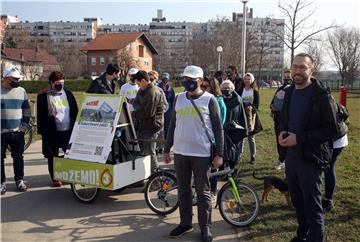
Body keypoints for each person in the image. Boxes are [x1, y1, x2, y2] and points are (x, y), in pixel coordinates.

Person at [278, 53, 337, 242]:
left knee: (312, 206)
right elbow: (283, 119)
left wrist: (299, 139)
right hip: (291, 158)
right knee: (298, 202)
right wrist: (282, 132)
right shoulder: (288, 92)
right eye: (295, 66)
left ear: (312, 70)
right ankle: (302, 235)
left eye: (302, 67)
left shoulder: (321, 95)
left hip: (310, 159)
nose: (297, 71)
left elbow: (330, 130)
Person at [164, 65, 224, 242]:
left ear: (200, 80)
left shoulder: (209, 100)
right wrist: (167, 148)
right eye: (186, 79)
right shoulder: (179, 98)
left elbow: (218, 129)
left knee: (202, 192)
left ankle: (205, 227)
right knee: (183, 191)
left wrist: (219, 154)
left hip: (201, 154)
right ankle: (185, 223)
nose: (188, 82)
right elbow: (172, 125)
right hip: (181, 153)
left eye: (192, 79)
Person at [37, 71, 78, 187]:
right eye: (57, 83)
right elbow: (41, 116)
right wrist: (43, 132)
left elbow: (75, 110)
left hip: (67, 129)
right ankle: (55, 177)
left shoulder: (68, 94)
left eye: (62, 83)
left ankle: (69, 174)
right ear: (51, 82)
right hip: (52, 131)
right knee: (52, 156)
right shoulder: (43, 96)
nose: (60, 86)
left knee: (69, 153)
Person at [1, 67, 30, 194]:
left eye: (18, 79)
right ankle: (1, 183)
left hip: (17, 132)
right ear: (6, 78)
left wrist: (24, 125)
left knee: (18, 157)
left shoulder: (22, 91)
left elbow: (26, 109)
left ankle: (19, 180)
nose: (17, 81)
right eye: (15, 79)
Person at [132, 70, 167, 174]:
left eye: (138, 84)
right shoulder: (143, 90)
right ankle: (149, 174)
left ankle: (157, 177)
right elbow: (135, 103)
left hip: (152, 126)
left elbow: (148, 113)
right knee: (144, 152)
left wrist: (134, 113)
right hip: (144, 125)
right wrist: (140, 109)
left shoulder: (153, 92)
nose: (138, 86)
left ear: (143, 81)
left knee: (150, 152)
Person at [201, 76, 226, 202]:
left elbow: (219, 124)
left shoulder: (218, 102)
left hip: (213, 141)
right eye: (202, 86)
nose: (203, 89)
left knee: (213, 168)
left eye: (206, 86)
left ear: (213, 87)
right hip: (202, 140)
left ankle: (213, 191)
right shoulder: (203, 100)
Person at [323, 111, 349, 212]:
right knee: (325, 168)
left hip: (335, 140)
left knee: (328, 168)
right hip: (335, 137)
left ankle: (328, 201)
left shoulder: (319, 101)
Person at [220, 80, 248, 172]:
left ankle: (231, 171)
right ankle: (221, 170)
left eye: (229, 88)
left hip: (234, 130)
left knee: (232, 152)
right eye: (224, 88)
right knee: (221, 151)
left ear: (233, 89)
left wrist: (244, 130)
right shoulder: (218, 100)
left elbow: (242, 115)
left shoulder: (237, 100)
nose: (226, 90)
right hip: (221, 130)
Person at [237, 72, 262, 164]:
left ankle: (253, 156)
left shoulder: (255, 92)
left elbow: (257, 105)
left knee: (251, 138)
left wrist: (249, 106)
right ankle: (239, 156)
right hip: (241, 116)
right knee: (241, 137)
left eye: (249, 79)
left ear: (252, 80)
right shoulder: (240, 90)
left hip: (251, 117)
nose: (247, 80)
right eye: (245, 78)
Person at [270, 69, 292, 170]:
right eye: (285, 77)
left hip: (289, 119)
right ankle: (281, 159)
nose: (286, 79)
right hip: (278, 119)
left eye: (288, 77)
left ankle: (288, 160)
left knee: (288, 140)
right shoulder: (280, 89)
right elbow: (272, 102)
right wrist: (272, 107)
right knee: (279, 139)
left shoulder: (293, 89)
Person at [159, 72, 175, 140]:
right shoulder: (158, 87)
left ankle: (167, 140)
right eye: (164, 78)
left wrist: (173, 110)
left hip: (169, 110)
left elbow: (173, 100)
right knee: (160, 126)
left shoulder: (171, 89)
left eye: (166, 78)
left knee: (168, 126)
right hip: (160, 109)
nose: (165, 80)